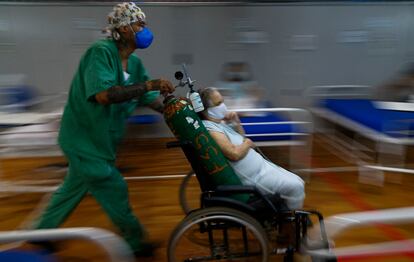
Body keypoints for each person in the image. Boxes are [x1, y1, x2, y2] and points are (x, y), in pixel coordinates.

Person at [31, 2, 174, 257]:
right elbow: (104, 95)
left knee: (72, 188)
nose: (145, 29)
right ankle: (136, 243)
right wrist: (149, 85)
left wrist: (170, 111)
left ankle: (41, 233)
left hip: (102, 141)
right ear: (124, 28)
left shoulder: (135, 63)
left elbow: (145, 97)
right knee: (113, 186)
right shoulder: (101, 52)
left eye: (145, 24)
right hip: (83, 138)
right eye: (140, 24)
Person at [198, 87, 305, 210]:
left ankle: (287, 213)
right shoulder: (211, 129)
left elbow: (241, 138)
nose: (223, 106)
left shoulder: (219, 124)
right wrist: (248, 143)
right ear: (206, 110)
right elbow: (234, 154)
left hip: (261, 170)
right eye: (218, 103)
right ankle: (289, 223)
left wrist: (236, 122)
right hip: (253, 179)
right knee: (296, 186)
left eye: (223, 101)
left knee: (298, 181)